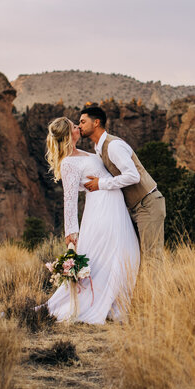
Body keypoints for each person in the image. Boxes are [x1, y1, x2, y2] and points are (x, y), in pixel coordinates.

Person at [43, 117, 140, 324]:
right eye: (74, 126)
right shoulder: (68, 162)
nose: (78, 127)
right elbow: (69, 198)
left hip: (115, 206)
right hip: (100, 210)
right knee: (109, 255)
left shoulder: (86, 153)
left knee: (126, 251)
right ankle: (101, 303)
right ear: (69, 134)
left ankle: (117, 303)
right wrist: (71, 233)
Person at [78, 105, 166, 261]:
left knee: (152, 257)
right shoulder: (98, 148)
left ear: (96, 122)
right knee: (136, 257)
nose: (80, 126)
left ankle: (157, 287)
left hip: (148, 203)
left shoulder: (113, 146)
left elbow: (133, 176)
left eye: (83, 122)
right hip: (134, 208)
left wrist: (101, 184)